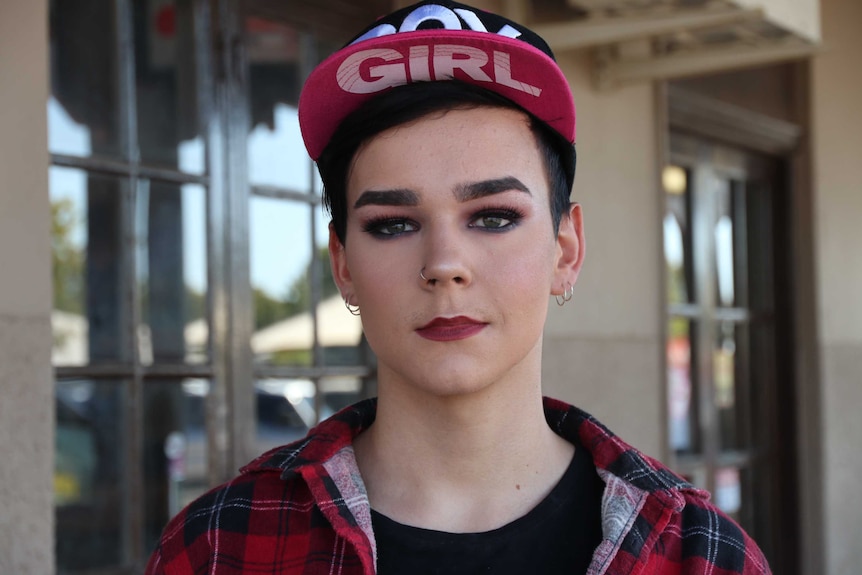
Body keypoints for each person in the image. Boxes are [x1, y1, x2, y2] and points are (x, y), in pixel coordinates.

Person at [146, 2, 771, 574]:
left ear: (566, 249)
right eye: (392, 224)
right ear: (343, 264)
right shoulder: (221, 546)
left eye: (493, 216)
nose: (444, 264)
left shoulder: (701, 555)